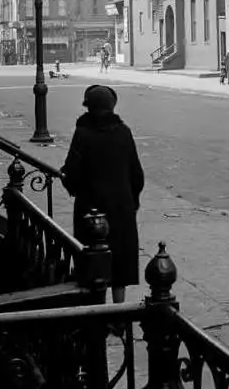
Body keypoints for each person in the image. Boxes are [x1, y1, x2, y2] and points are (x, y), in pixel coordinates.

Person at [60, 85, 144, 304]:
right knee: (120, 262)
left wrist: (69, 184)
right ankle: (119, 313)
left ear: (88, 107)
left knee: (93, 261)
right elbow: (137, 173)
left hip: (91, 208)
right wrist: (132, 199)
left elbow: (72, 171)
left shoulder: (83, 133)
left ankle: (98, 310)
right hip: (121, 206)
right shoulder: (123, 131)